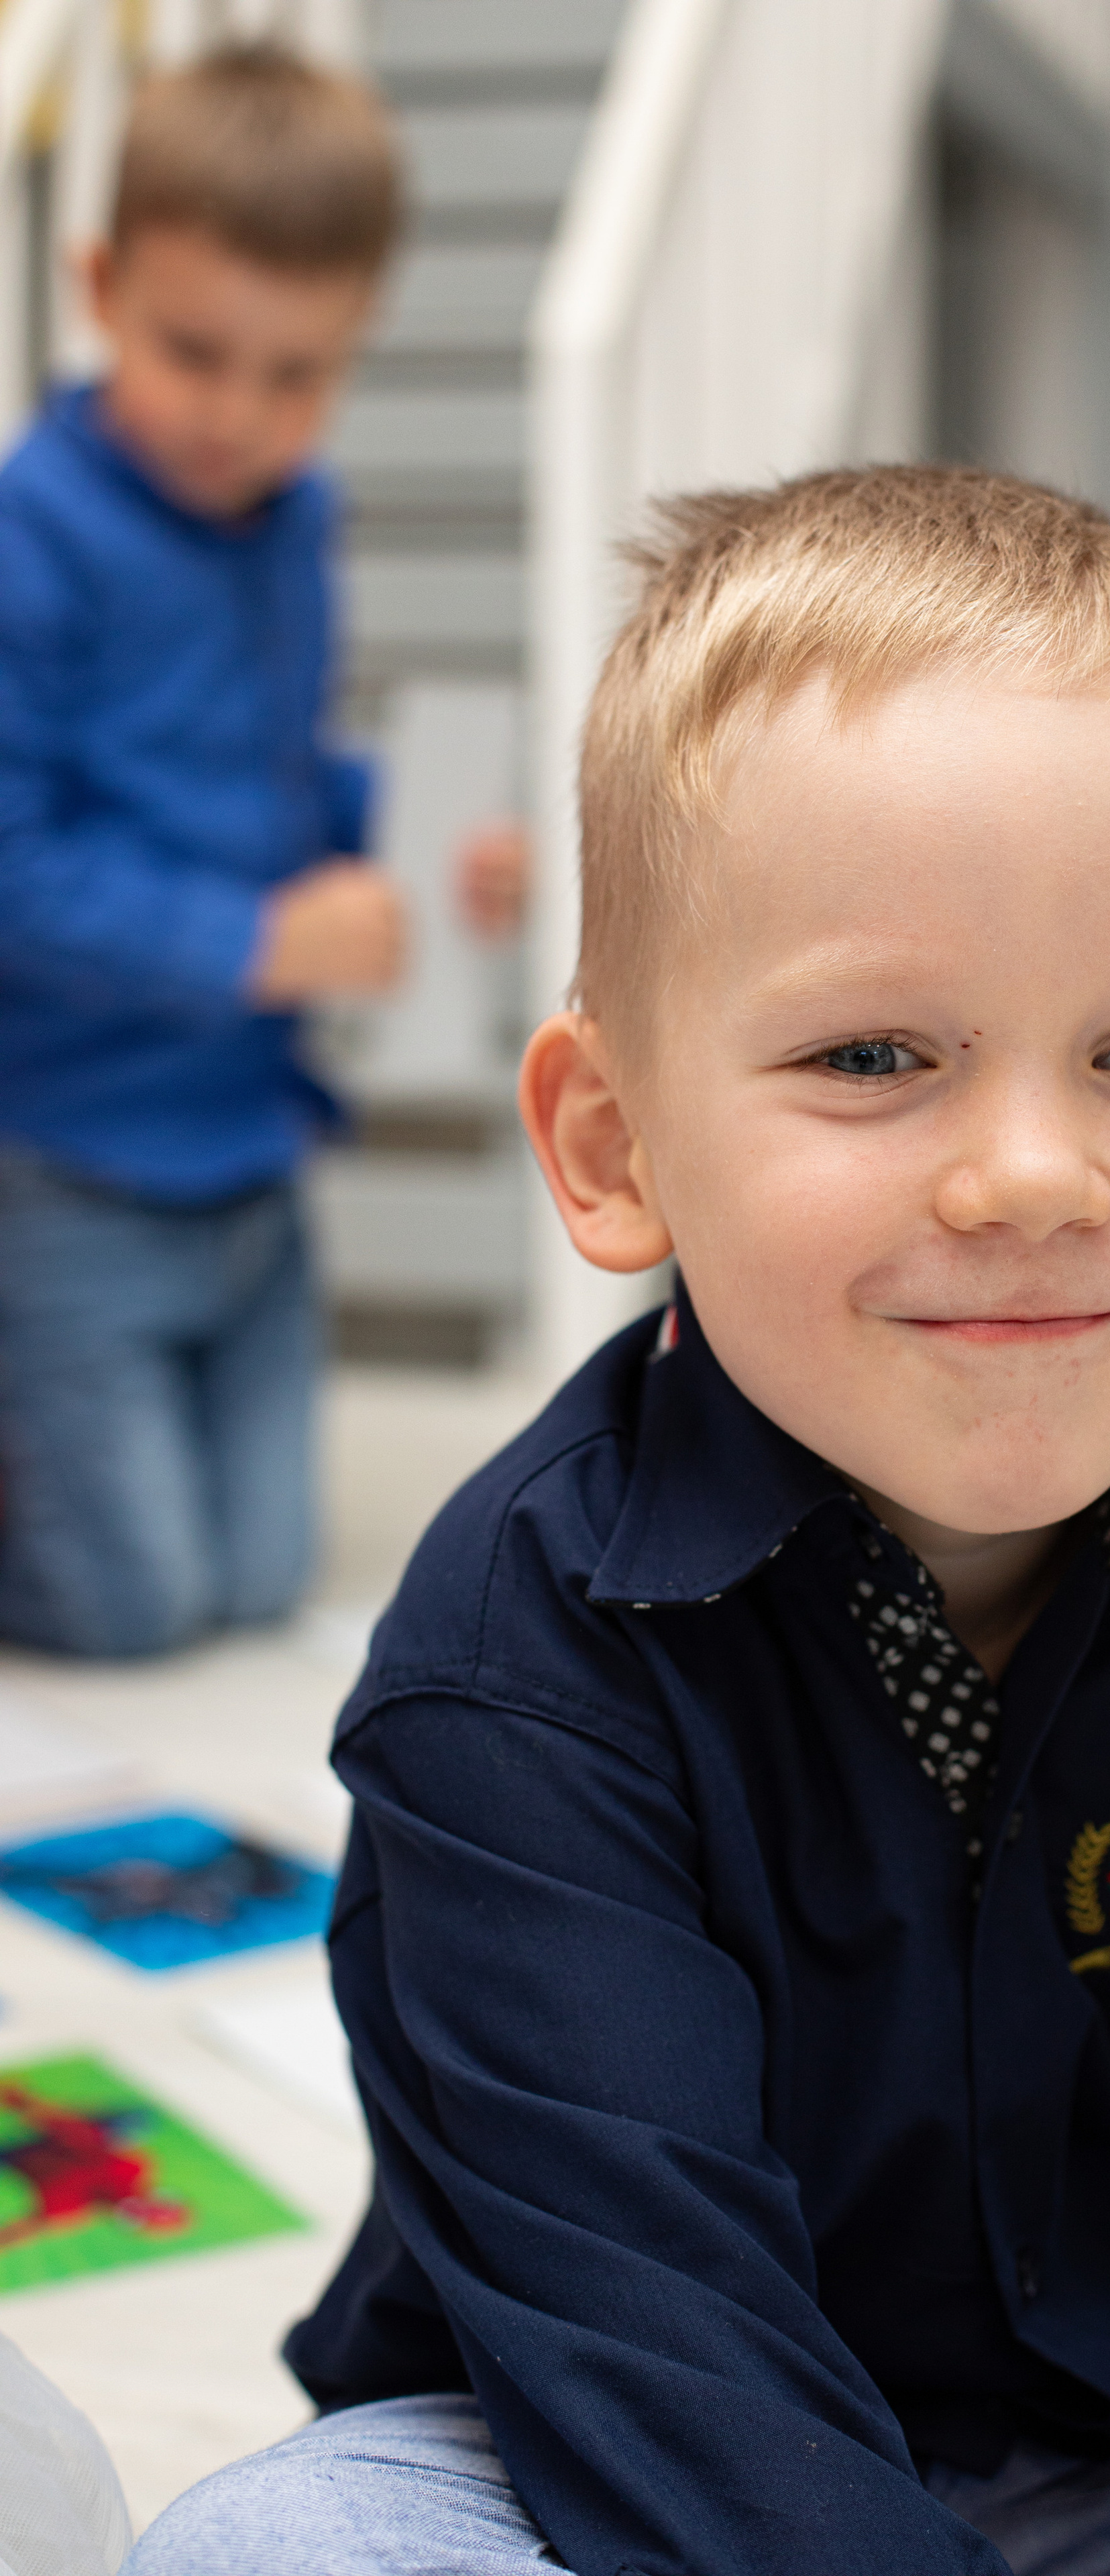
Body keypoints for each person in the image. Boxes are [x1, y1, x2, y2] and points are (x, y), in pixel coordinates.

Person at [129, 470, 1110, 2574]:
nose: (1035, 1176)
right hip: (657, 2477)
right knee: (273, 2550)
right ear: (613, 1146)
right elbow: (664, 2362)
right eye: (877, 1055)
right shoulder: (516, 1671)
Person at [0, 44, 524, 1662]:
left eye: (297, 376)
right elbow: (17, 865)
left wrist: (407, 842)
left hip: (249, 1168)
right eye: (194, 354)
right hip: (71, 1163)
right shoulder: (33, 537)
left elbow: (271, 780)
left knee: (258, 1582)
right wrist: (255, 945)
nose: (240, 414)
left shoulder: (295, 524)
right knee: (131, 1608)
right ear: (98, 288)